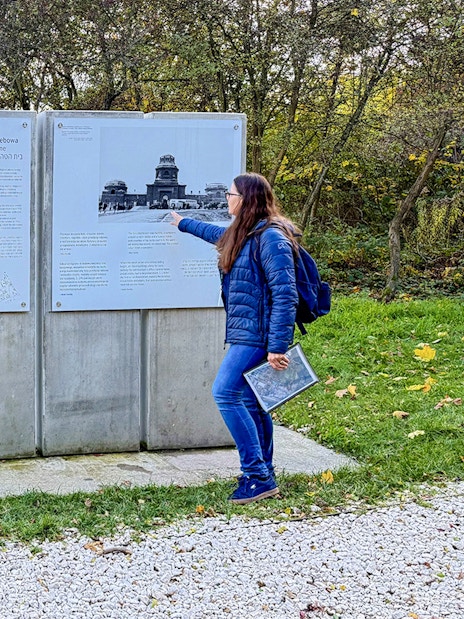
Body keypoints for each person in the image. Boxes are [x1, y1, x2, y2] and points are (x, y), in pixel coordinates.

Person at [171, 172, 299, 504]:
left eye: (230, 194)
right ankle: (264, 473)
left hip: (257, 336)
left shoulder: (271, 238)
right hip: (249, 332)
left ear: (245, 199)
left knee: (225, 393)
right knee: (252, 402)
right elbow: (217, 234)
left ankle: (257, 476)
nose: (226, 199)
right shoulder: (245, 233)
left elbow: (286, 294)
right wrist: (183, 222)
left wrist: (277, 346)